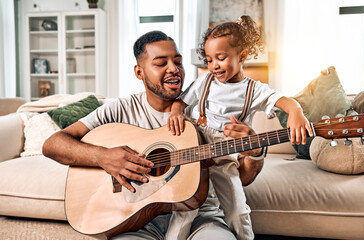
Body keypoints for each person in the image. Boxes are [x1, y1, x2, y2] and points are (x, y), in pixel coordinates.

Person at [42, 30, 262, 240]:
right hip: (134, 219)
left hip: (201, 217)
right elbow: (53, 144)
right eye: (160, 63)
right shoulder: (121, 108)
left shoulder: (213, 109)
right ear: (139, 72)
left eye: (178, 61)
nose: (174, 69)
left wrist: (255, 154)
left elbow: (242, 177)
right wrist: (104, 157)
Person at [167, 16, 313, 240]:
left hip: (226, 156)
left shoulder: (254, 90)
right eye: (209, 60)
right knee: (185, 211)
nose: (214, 65)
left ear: (242, 56)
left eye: (221, 58)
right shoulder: (204, 82)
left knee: (238, 210)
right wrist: (176, 112)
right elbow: (181, 102)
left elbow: (285, 101)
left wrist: (296, 111)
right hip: (196, 151)